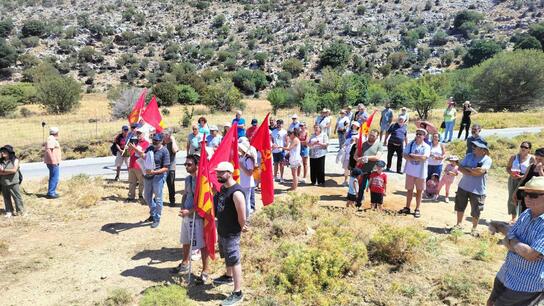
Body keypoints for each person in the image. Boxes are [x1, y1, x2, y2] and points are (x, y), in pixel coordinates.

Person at [486, 176, 544, 306]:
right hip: (506, 273)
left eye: (534, 195)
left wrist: (512, 241)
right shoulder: (526, 213)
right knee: (491, 302)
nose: (527, 197)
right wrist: (517, 244)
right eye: (525, 193)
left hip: (526, 284)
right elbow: (510, 238)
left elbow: (530, 254)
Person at [212, 161, 247, 306]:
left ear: (229, 173)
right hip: (222, 229)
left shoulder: (236, 193)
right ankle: (228, 276)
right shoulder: (223, 189)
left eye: (221, 172)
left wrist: (241, 227)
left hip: (232, 232)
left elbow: (242, 216)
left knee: (234, 259)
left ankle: (238, 292)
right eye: (217, 172)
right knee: (226, 254)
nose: (218, 175)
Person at [172, 155, 209, 284]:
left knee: (202, 244)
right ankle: (185, 263)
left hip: (197, 217)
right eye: (185, 164)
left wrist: (190, 211)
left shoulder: (203, 180)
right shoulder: (188, 179)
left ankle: (205, 270)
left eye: (189, 164)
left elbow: (203, 202)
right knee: (186, 240)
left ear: (197, 165)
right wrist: (183, 208)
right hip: (186, 214)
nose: (186, 167)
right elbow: (186, 194)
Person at [453, 139, 492, 236]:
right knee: (460, 206)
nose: (473, 148)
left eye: (476, 146)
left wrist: (468, 169)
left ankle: (474, 229)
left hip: (478, 190)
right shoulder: (469, 156)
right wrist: (472, 171)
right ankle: (459, 224)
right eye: (473, 146)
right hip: (464, 186)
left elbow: (480, 172)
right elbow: (461, 168)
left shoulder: (487, 159)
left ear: (483, 149)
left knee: (476, 210)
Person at [398, 128, 431, 218]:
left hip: (421, 173)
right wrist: (416, 157)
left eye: (420, 134)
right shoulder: (411, 144)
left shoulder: (426, 146)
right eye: (417, 134)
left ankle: (417, 208)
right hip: (410, 171)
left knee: (419, 191)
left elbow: (424, 158)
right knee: (409, 190)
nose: (418, 136)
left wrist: (412, 156)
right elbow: (404, 155)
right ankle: (407, 207)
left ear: (424, 136)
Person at [142, 133, 170, 228]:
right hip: (148, 176)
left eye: (156, 141)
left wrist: (154, 172)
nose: (154, 142)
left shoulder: (165, 151)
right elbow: (144, 157)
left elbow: (166, 168)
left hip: (158, 176)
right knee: (146, 196)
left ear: (161, 141)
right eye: (153, 140)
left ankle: (157, 218)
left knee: (158, 198)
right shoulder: (150, 148)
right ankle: (153, 212)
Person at [353, 129, 384, 210]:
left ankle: (374, 205)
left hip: (373, 171)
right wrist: (359, 159)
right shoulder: (363, 144)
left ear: (377, 137)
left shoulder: (379, 145)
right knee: (361, 187)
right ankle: (358, 203)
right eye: (370, 135)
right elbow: (355, 156)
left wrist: (367, 158)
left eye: (373, 135)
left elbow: (377, 157)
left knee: (374, 188)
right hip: (362, 170)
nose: (371, 136)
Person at [507, 143, 536, 222]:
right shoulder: (514, 157)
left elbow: (533, 169)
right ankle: (513, 217)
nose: (523, 148)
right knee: (512, 197)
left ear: (529, 149)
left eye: (526, 147)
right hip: (513, 179)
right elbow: (508, 168)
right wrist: (511, 174)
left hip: (525, 180)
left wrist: (524, 177)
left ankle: (521, 218)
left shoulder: (532, 158)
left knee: (522, 198)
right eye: (522, 146)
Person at [514, 148, 544, 214]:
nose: (538, 161)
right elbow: (523, 179)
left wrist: (540, 170)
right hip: (526, 195)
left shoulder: (541, 169)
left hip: (538, 199)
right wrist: (515, 192)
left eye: (540, 159)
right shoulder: (531, 166)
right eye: (536, 158)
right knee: (523, 213)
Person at [0, 145, 24, 217]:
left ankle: (20, 211)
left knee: (17, 197)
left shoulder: (15, 160)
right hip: (4, 182)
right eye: (2, 151)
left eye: (4, 151)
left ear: (9, 152)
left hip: (13, 182)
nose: (2, 152)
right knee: (6, 197)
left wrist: (3, 171)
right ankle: (9, 211)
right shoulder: (1, 161)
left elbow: (14, 170)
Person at [126, 129, 149, 203]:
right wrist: (128, 148)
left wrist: (134, 148)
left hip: (139, 166)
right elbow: (128, 154)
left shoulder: (146, 143)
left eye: (140, 133)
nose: (138, 135)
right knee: (132, 182)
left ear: (144, 134)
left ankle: (141, 195)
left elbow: (142, 153)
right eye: (137, 134)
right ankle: (131, 196)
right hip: (132, 164)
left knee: (142, 182)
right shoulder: (134, 142)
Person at [238, 142, 256, 216]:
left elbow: (250, 173)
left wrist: (241, 166)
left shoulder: (248, 159)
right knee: (242, 201)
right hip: (241, 182)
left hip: (246, 183)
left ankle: (247, 218)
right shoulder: (242, 157)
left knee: (246, 201)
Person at [44, 127, 61, 199]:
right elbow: (49, 150)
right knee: (55, 177)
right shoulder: (51, 139)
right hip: (53, 162)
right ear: (56, 133)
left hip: (53, 162)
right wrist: (53, 161)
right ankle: (51, 193)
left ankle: (52, 192)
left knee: (53, 177)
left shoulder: (51, 139)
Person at [163, 129, 179, 207]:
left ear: (169, 135)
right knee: (159, 184)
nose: (164, 136)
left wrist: (173, 140)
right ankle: (157, 199)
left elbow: (175, 150)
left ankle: (172, 200)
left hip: (171, 167)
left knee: (171, 184)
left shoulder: (172, 142)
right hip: (162, 167)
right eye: (163, 135)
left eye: (165, 135)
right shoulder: (161, 142)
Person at [271, 119, 287, 183]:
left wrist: (284, 147)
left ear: (282, 124)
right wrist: (273, 145)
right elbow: (272, 140)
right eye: (278, 123)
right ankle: (275, 176)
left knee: (282, 164)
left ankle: (281, 177)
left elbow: (286, 140)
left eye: (280, 123)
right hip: (275, 151)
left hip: (281, 150)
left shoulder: (284, 132)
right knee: (275, 164)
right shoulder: (273, 131)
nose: (279, 125)